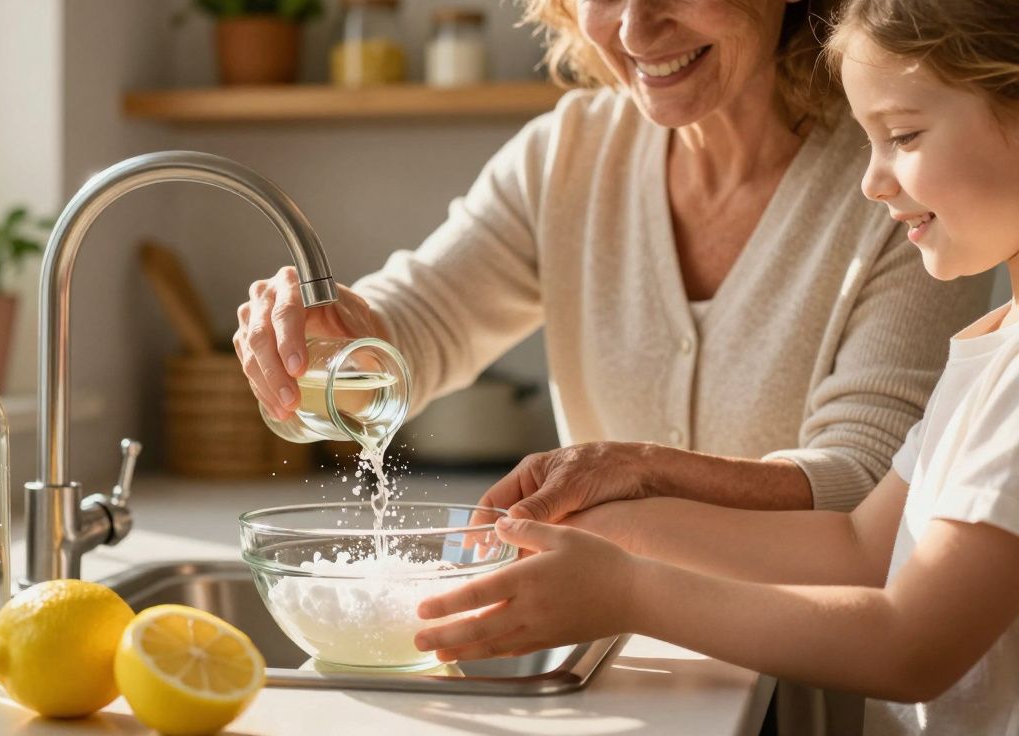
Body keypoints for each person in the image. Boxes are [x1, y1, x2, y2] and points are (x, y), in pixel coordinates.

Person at [235, 2, 988, 728]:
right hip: (615, 694)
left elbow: (874, 502)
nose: (635, 26)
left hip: (809, 698)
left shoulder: (907, 181)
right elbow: (412, 327)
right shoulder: (566, 156)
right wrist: (316, 347)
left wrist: (638, 486)